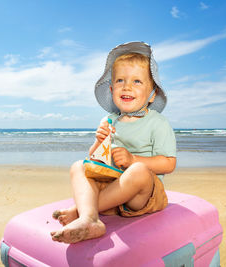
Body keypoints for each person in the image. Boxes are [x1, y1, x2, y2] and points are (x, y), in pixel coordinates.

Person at [51, 42, 177, 244]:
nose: (127, 86)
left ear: (152, 94)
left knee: (138, 170)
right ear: (112, 89)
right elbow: (95, 160)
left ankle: (83, 210)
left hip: (143, 194)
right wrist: (98, 142)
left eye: (137, 81)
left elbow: (169, 164)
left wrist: (133, 159)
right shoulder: (109, 120)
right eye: (120, 80)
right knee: (79, 166)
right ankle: (90, 219)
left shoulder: (157, 123)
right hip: (113, 187)